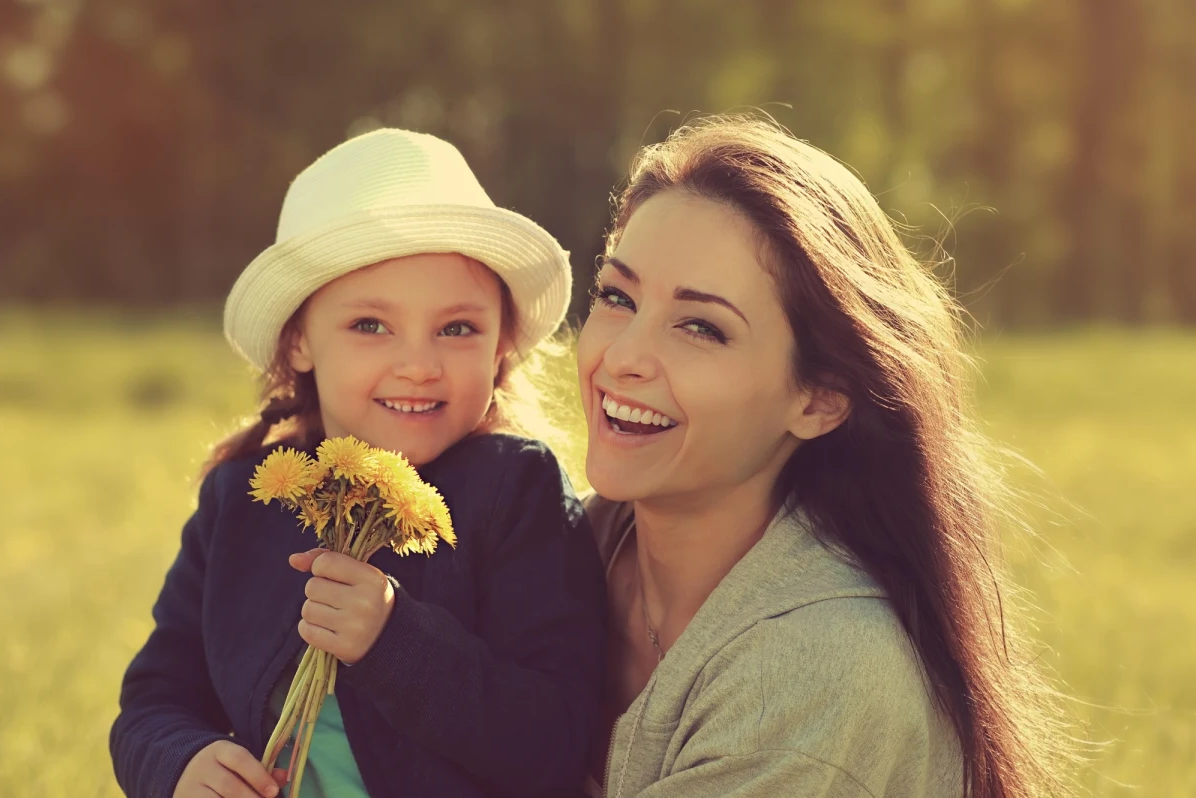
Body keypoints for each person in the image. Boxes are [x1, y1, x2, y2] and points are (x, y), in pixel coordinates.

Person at [580, 115, 1073, 797]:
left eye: (701, 327)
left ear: (819, 400)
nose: (623, 357)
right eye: (616, 296)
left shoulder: (817, 676)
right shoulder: (556, 540)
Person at [110, 129, 606, 798]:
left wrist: (396, 640)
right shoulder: (242, 501)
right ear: (299, 341)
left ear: (500, 347)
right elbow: (153, 700)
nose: (419, 365)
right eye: (370, 325)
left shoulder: (515, 492)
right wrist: (180, 762)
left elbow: (557, 741)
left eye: (457, 328)